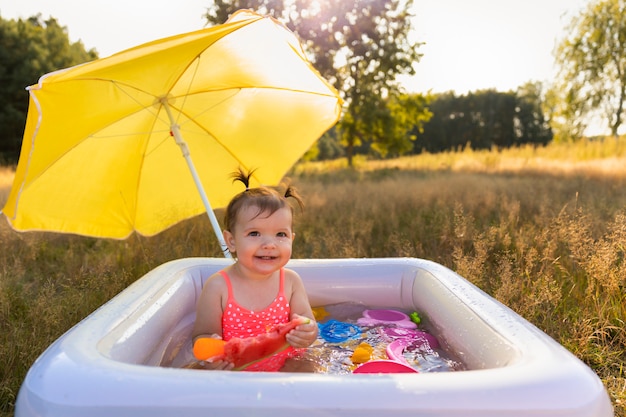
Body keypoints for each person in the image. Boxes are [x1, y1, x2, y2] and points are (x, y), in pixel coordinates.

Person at [192, 168, 318, 371]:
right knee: (194, 374)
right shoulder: (218, 286)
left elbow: (308, 323)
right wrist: (211, 351)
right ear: (231, 241)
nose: (269, 244)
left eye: (280, 234)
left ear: (291, 238)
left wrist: (308, 333)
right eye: (254, 233)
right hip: (236, 371)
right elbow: (201, 335)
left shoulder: (291, 281)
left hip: (285, 367)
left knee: (309, 369)